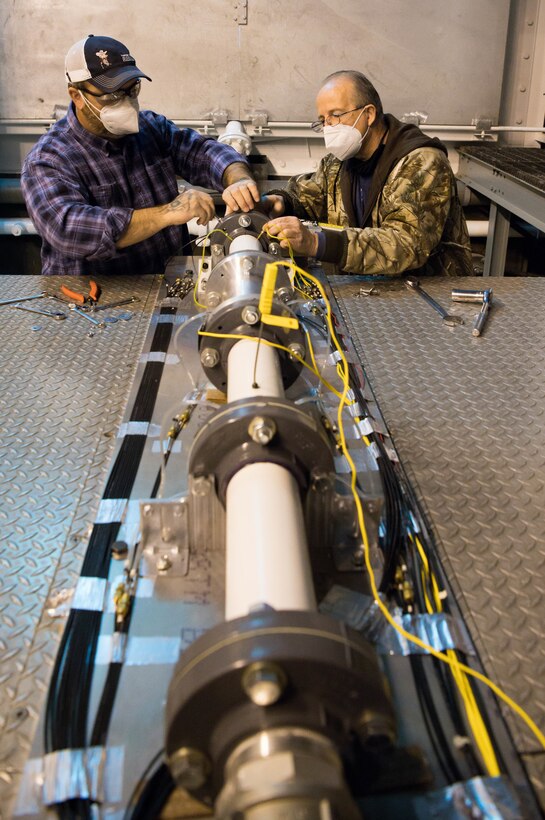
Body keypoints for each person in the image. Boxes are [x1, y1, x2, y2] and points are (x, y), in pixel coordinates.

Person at [21, 35, 260, 275]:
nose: (125, 103)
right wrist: (168, 213)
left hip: (162, 282)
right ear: (77, 96)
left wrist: (237, 177)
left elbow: (203, 153)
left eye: (131, 89)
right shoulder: (48, 160)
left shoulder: (151, 129)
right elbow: (69, 229)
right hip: (92, 298)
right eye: (111, 95)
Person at [262, 70, 473, 277]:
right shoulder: (340, 162)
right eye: (323, 120)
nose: (328, 127)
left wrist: (317, 243)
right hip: (374, 290)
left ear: (369, 114)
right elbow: (311, 196)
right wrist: (281, 201)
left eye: (335, 115)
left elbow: (406, 245)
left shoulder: (422, 162)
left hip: (431, 295)